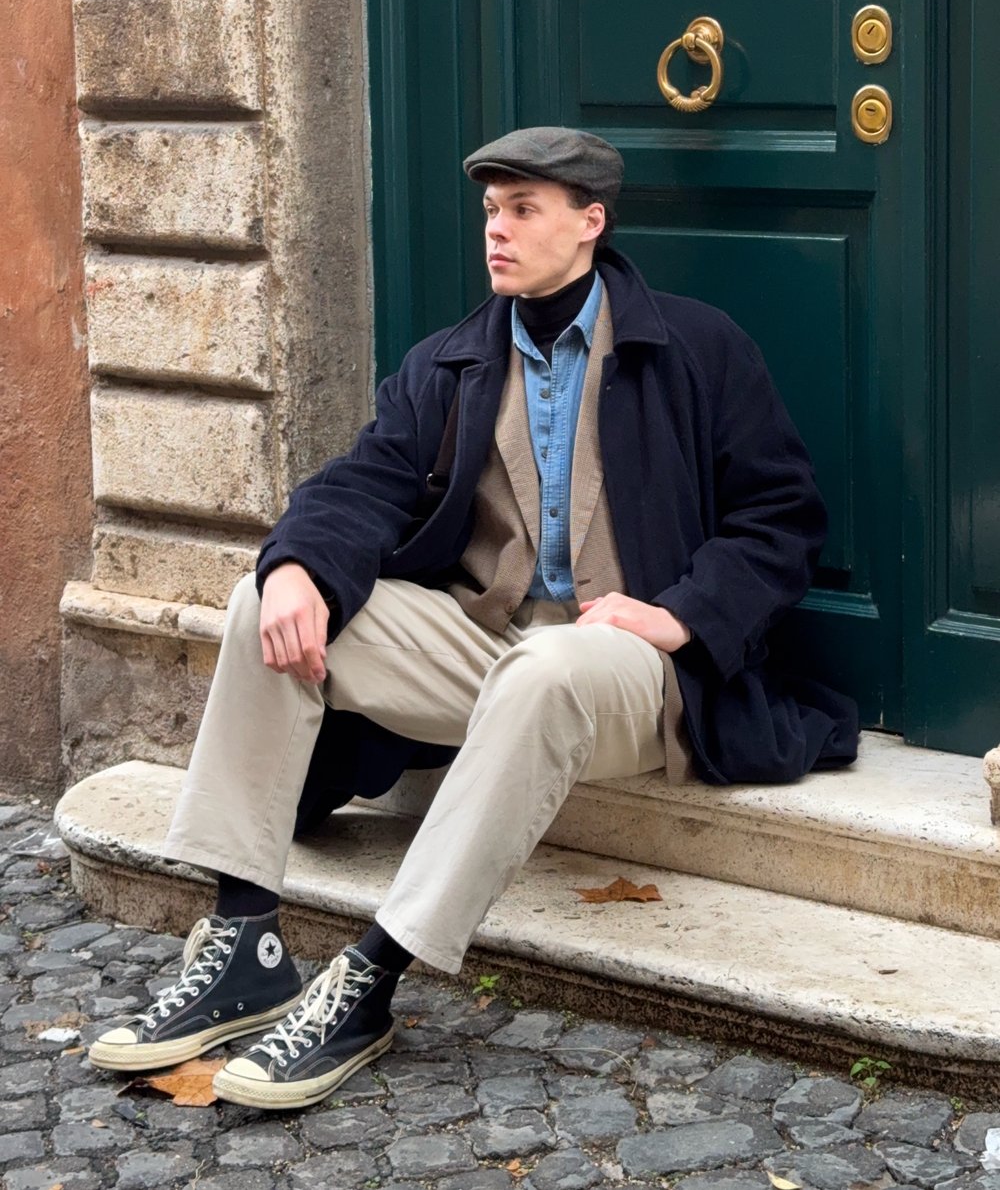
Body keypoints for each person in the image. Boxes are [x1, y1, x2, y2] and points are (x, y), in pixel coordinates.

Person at [88, 126, 858, 1109]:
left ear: (590, 221)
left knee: (549, 666)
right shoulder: (452, 362)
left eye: (523, 210)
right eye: (491, 210)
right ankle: (245, 941)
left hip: (631, 669)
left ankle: (370, 978)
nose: (496, 230)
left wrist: (682, 616)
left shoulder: (696, 347)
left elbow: (781, 517)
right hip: (486, 642)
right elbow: (362, 481)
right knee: (263, 599)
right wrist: (297, 567)